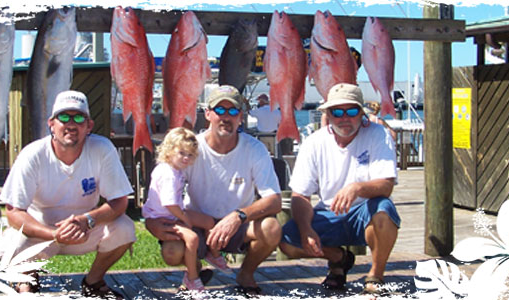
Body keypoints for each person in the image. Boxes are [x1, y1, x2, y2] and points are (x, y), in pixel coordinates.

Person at [145, 85, 282, 297]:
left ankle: (246, 274)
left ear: (241, 117)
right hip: (199, 225)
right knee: (171, 252)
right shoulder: (191, 149)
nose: (226, 117)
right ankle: (194, 272)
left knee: (272, 228)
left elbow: (274, 201)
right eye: (220, 110)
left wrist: (238, 216)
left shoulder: (255, 149)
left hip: (238, 226)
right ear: (208, 114)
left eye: (233, 111)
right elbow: (161, 187)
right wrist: (151, 221)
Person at [0, 90, 135, 299]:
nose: (71, 124)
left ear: (89, 126)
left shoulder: (103, 148)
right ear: (51, 124)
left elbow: (119, 202)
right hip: (41, 232)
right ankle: (26, 281)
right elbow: (13, 212)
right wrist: (53, 234)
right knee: (10, 243)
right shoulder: (32, 154)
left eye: (79, 118)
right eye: (64, 117)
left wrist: (86, 220)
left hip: (85, 230)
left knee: (125, 228)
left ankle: (93, 282)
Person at [279, 83, 400, 295]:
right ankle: (338, 259)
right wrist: (306, 229)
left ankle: (376, 274)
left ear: (362, 113)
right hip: (328, 212)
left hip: (364, 210)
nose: (345, 117)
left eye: (352, 111)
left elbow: (386, 185)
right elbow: (301, 195)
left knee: (384, 210)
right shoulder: (314, 142)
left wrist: (357, 188)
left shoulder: (379, 134)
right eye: (337, 111)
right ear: (327, 114)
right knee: (287, 241)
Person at [142, 127, 232, 294]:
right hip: (164, 216)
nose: (186, 158)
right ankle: (192, 279)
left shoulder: (175, 169)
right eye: (182, 153)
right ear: (169, 151)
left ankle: (213, 254)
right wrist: (185, 219)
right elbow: (169, 204)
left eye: (190, 155)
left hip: (173, 211)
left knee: (208, 222)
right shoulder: (168, 174)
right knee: (191, 238)